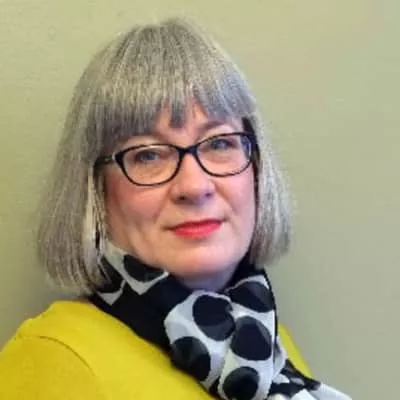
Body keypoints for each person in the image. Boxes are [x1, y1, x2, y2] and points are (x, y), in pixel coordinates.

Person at [0, 18, 350, 400]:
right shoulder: (58, 361)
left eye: (219, 144)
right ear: (95, 190)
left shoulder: (262, 339)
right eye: (148, 154)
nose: (195, 186)